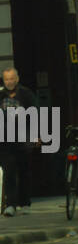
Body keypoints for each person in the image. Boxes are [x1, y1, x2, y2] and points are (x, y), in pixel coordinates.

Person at [0, 67, 37, 216]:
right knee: (9, 172)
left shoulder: (26, 94)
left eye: (11, 78)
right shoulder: (1, 96)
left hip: (23, 139)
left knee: (23, 171)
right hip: (5, 141)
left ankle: (25, 202)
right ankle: (10, 205)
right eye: (6, 79)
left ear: (17, 79)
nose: (9, 81)